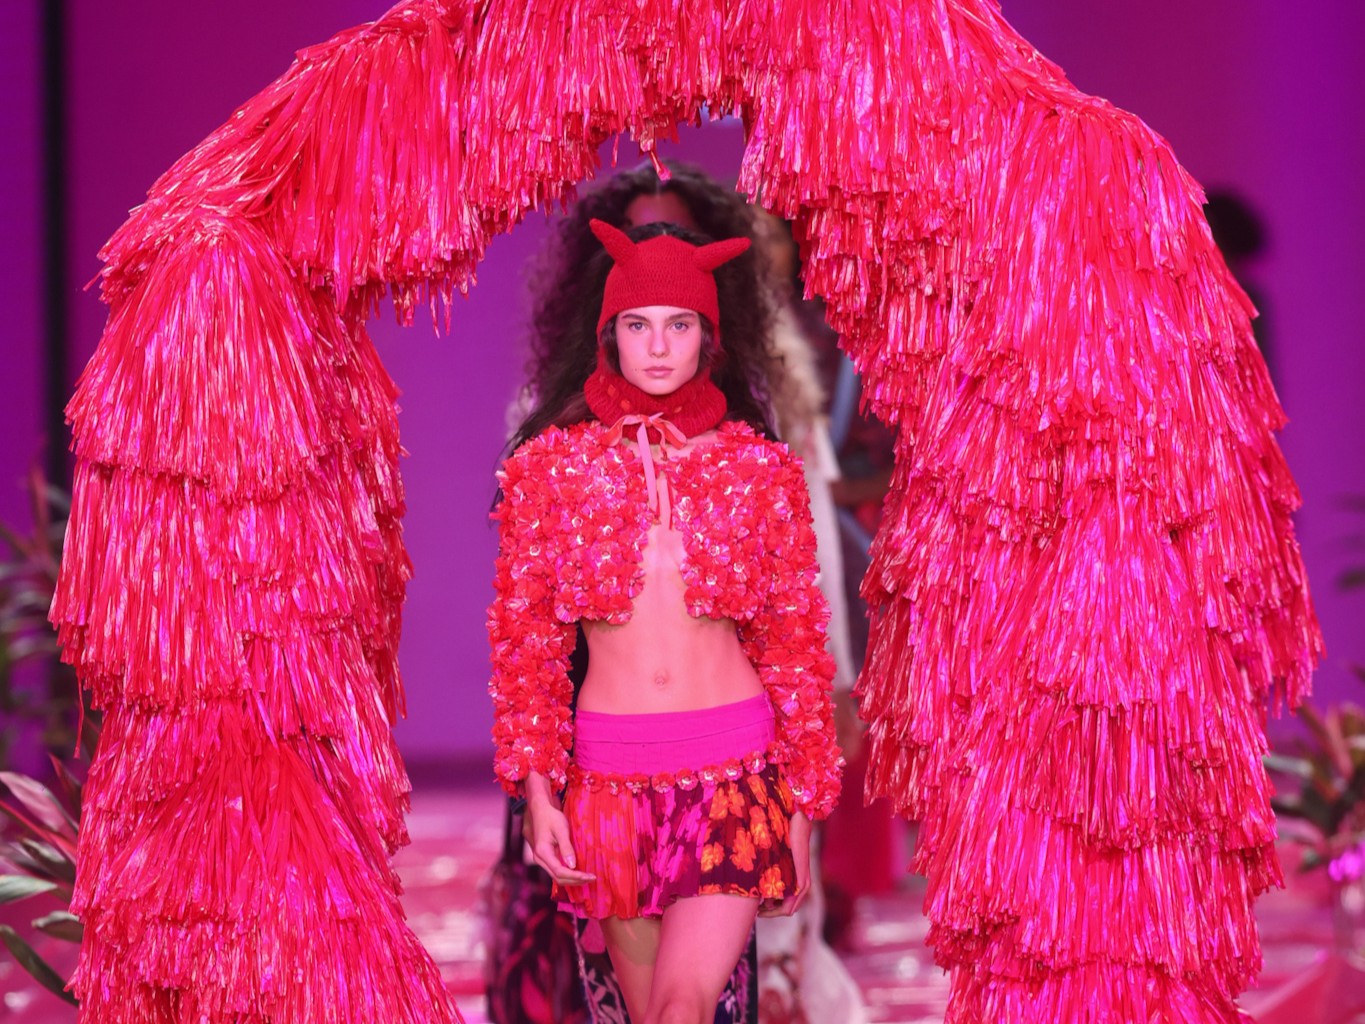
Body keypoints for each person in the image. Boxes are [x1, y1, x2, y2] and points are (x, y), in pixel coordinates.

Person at [488, 216, 843, 1024]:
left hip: (732, 774)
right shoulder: (548, 472)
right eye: (637, 325)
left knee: (682, 1007)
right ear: (608, 335)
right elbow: (527, 649)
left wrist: (802, 810)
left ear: (707, 338)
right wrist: (540, 796)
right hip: (608, 783)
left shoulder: (758, 469)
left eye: (678, 325)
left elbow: (793, 647)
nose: (656, 347)